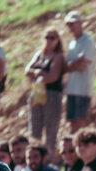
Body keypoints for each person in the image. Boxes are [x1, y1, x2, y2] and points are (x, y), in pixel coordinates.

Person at [26, 29, 65, 157]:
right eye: (46, 37)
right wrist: (40, 74)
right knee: (34, 128)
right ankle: (33, 156)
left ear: (57, 40)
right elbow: (28, 70)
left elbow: (53, 76)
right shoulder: (39, 54)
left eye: (52, 38)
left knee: (51, 129)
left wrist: (38, 73)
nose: (49, 41)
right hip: (37, 92)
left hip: (52, 94)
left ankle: (49, 157)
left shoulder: (58, 56)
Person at [64, 11, 96, 132]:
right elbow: (70, 65)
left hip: (83, 89)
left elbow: (82, 64)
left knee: (80, 121)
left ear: (80, 23)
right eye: (69, 25)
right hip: (72, 88)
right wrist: (74, 64)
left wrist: (71, 65)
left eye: (73, 24)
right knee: (72, 122)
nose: (71, 27)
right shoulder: (72, 43)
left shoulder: (88, 41)